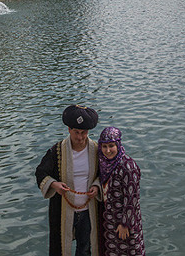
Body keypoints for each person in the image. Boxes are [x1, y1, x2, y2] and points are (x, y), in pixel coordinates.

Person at [35, 105, 101, 256]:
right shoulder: (56, 151)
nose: (80, 137)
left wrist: (97, 187)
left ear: (88, 132)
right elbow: (40, 172)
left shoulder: (96, 150)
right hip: (63, 208)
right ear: (69, 130)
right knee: (60, 248)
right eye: (76, 132)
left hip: (88, 210)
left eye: (83, 133)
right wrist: (54, 184)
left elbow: (103, 176)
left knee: (85, 249)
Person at [97, 127, 144, 256]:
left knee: (129, 250)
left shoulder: (128, 166)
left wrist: (125, 223)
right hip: (111, 221)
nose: (107, 150)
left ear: (118, 144)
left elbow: (132, 198)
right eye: (104, 146)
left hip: (124, 223)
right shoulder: (105, 165)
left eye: (111, 146)